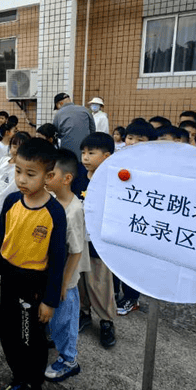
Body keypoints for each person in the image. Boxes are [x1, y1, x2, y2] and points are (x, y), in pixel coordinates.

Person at [0, 138, 66, 390]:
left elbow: (58, 259)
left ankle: (34, 388)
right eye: (18, 171)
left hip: (33, 286)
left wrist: (49, 299)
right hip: (9, 278)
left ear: (48, 177)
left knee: (29, 338)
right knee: (7, 335)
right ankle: (18, 378)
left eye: (30, 174)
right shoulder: (11, 200)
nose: (21, 179)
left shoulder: (54, 212)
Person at [43, 149, 88, 382]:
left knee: (66, 318)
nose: (44, 178)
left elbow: (77, 249)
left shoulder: (74, 210)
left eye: (50, 174)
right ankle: (58, 343)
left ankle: (69, 360)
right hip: (51, 273)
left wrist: (64, 282)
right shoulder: (50, 201)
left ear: (67, 178)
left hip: (65, 279)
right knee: (56, 318)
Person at [77, 132, 120, 346]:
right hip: (78, 241)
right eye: (83, 152)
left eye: (91, 153)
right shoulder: (77, 178)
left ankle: (106, 321)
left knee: (100, 283)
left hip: (99, 244)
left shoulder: (113, 182)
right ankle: (83, 314)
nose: (85, 157)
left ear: (106, 156)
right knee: (80, 282)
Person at [52, 93, 95, 162]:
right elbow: (92, 129)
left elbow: (56, 132)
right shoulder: (85, 110)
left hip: (67, 154)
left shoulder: (58, 114)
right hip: (85, 152)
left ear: (60, 103)